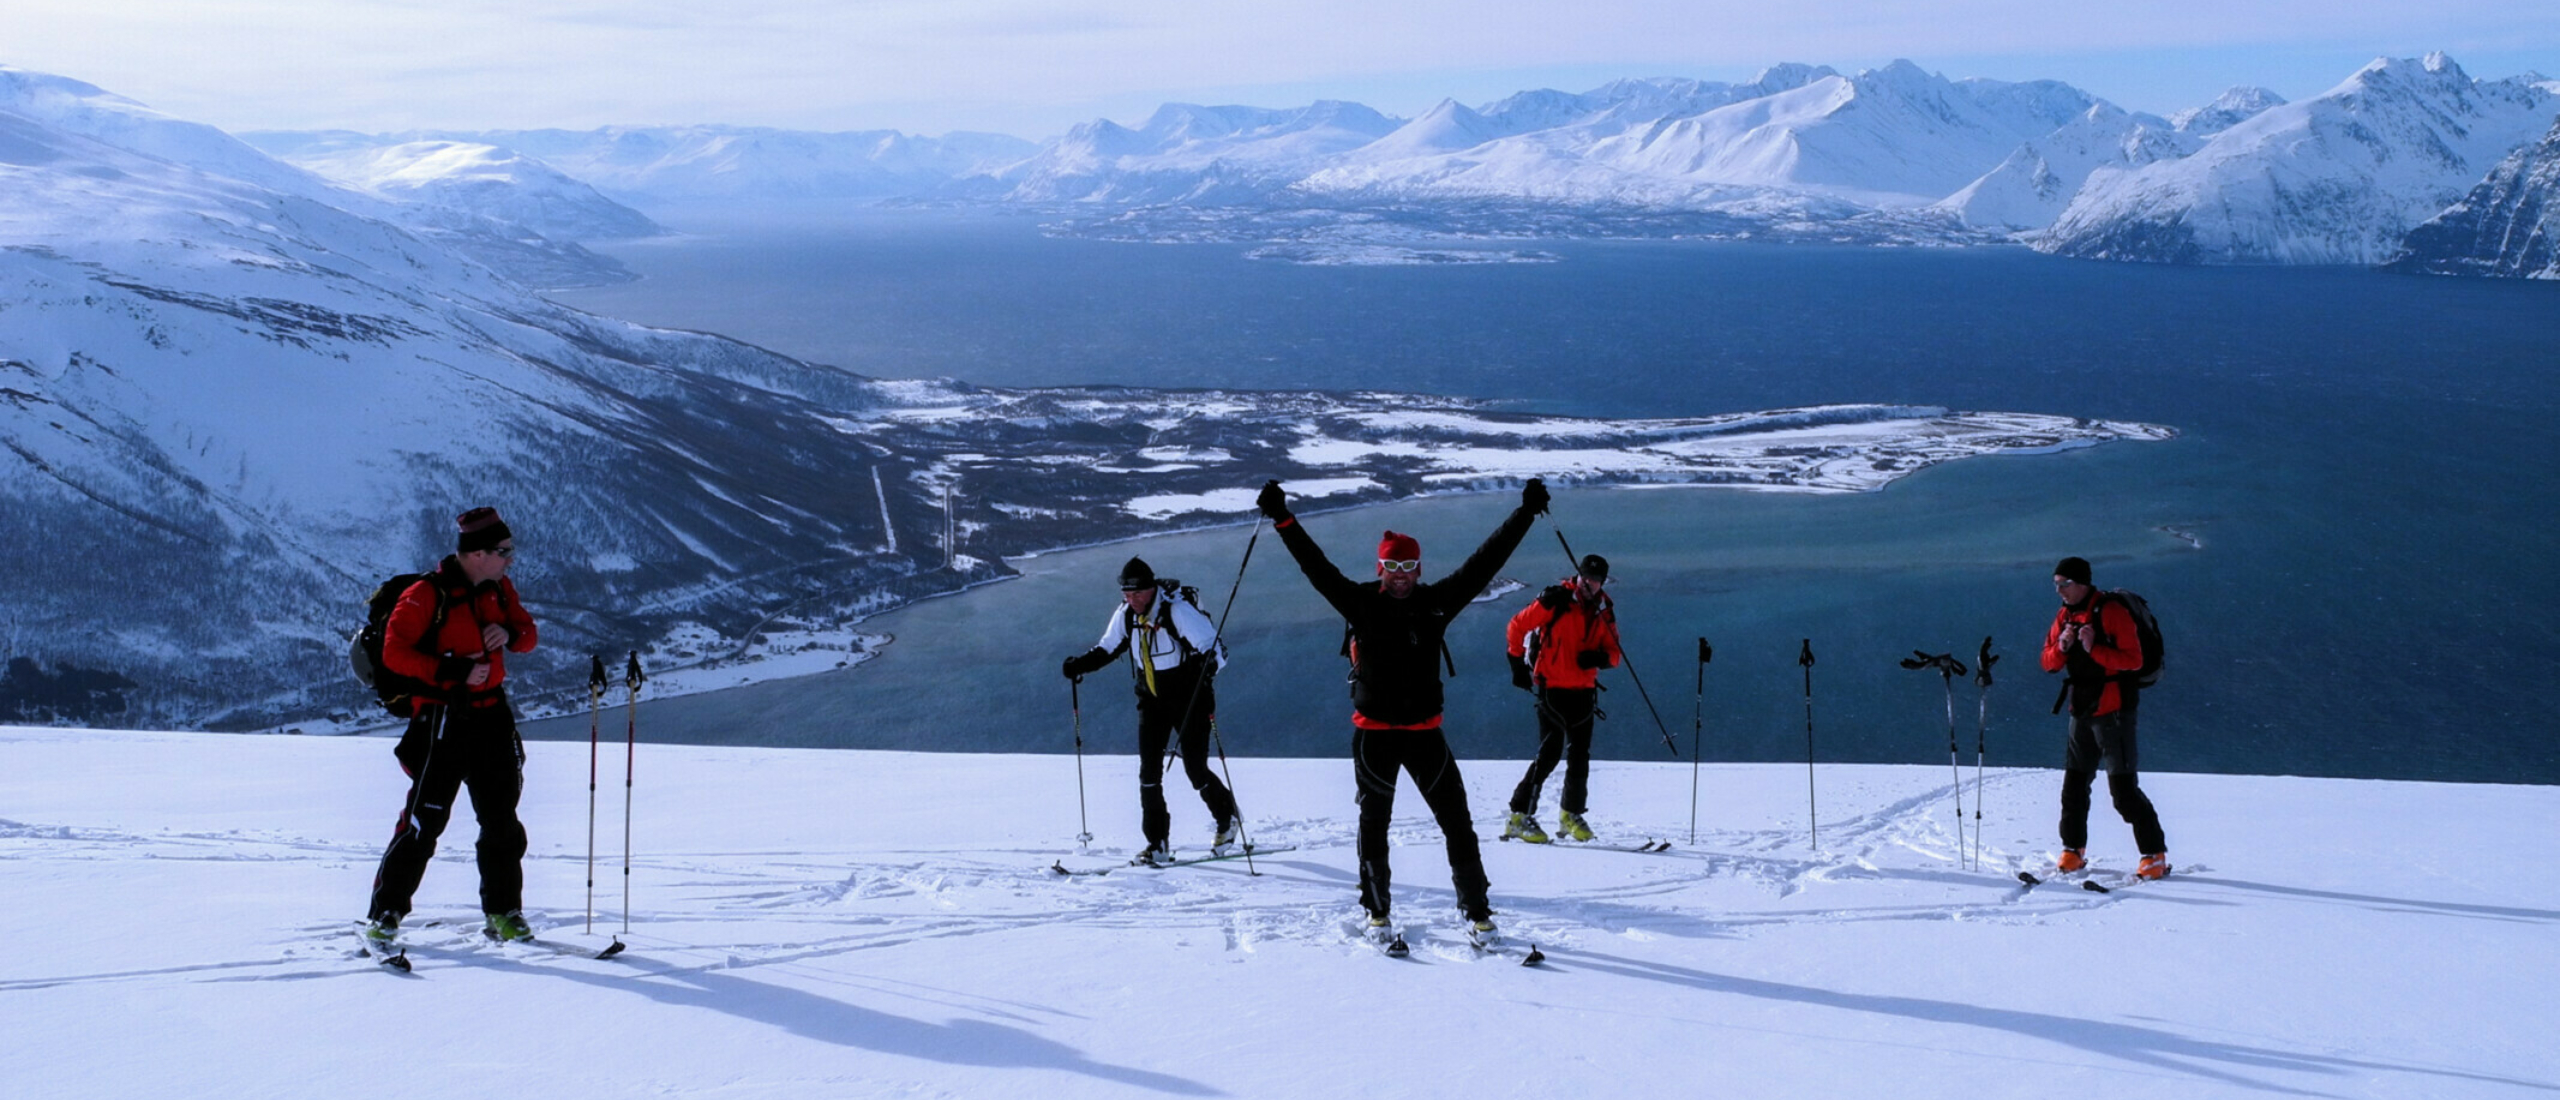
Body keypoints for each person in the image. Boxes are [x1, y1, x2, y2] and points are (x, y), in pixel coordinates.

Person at [1257, 476, 1547, 937]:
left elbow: (1484, 562)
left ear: (1418, 568)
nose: (1400, 573)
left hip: (1425, 734)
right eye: (1392, 565)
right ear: (1380, 568)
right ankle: (1377, 912)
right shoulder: (1358, 603)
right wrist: (1282, 518)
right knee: (1374, 826)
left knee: (1458, 823)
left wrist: (1525, 513)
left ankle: (1477, 911)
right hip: (1374, 735)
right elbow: (1315, 566)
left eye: (1409, 565)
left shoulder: (1435, 604)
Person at [364, 507, 541, 948]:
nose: (510, 559)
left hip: (492, 717)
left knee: (501, 820)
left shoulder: (499, 589)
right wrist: (455, 673)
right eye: (503, 552)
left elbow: (529, 634)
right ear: (477, 553)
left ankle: (503, 911)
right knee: (425, 821)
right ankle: (385, 913)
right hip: (443, 718)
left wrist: (509, 634)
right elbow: (394, 654)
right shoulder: (426, 594)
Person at [1061, 557, 1239, 864]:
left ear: (1151, 588)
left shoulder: (1178, 611)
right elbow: (1108, 647)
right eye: (1126, 595)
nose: (1132, 601)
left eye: (1137, 594)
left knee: (1195, 770)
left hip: (1188, 699)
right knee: (1148, 774)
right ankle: (1157, 844)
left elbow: (1216, 649)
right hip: (1151, 699)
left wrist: (1206, 665)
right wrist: (1079, 666)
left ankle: (1228, 818)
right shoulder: (1127, 614)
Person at [2040, 556, 2170, 880]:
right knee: (2073, 787)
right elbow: (2048, 663)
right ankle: (2072, 851)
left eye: (2064, 584)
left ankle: (2154, 855)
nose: (2059, 591)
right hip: (2080, 710)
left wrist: (2092, 647)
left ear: (2082, 582)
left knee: (2123, 792)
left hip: (2114, 712)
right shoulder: (2064, 616)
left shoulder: (2111, 611)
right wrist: (2063, 646)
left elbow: (2134, 660)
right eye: (2056, 584)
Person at [1501, 553, 1623, 844]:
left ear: (1602, 583)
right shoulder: (1556, 599)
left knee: (1580, 756)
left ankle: (1570, 814)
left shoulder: (1603, 609)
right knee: (1550, 753)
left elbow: (1616, 655)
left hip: (1583, 690)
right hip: (1551, 688)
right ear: (1577, 576)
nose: (1588, 585)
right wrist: (1516, 663)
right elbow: (1516, 626)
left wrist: (1599, 658)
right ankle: (1519, 816)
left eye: (1594, 581)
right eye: (1585, 578)